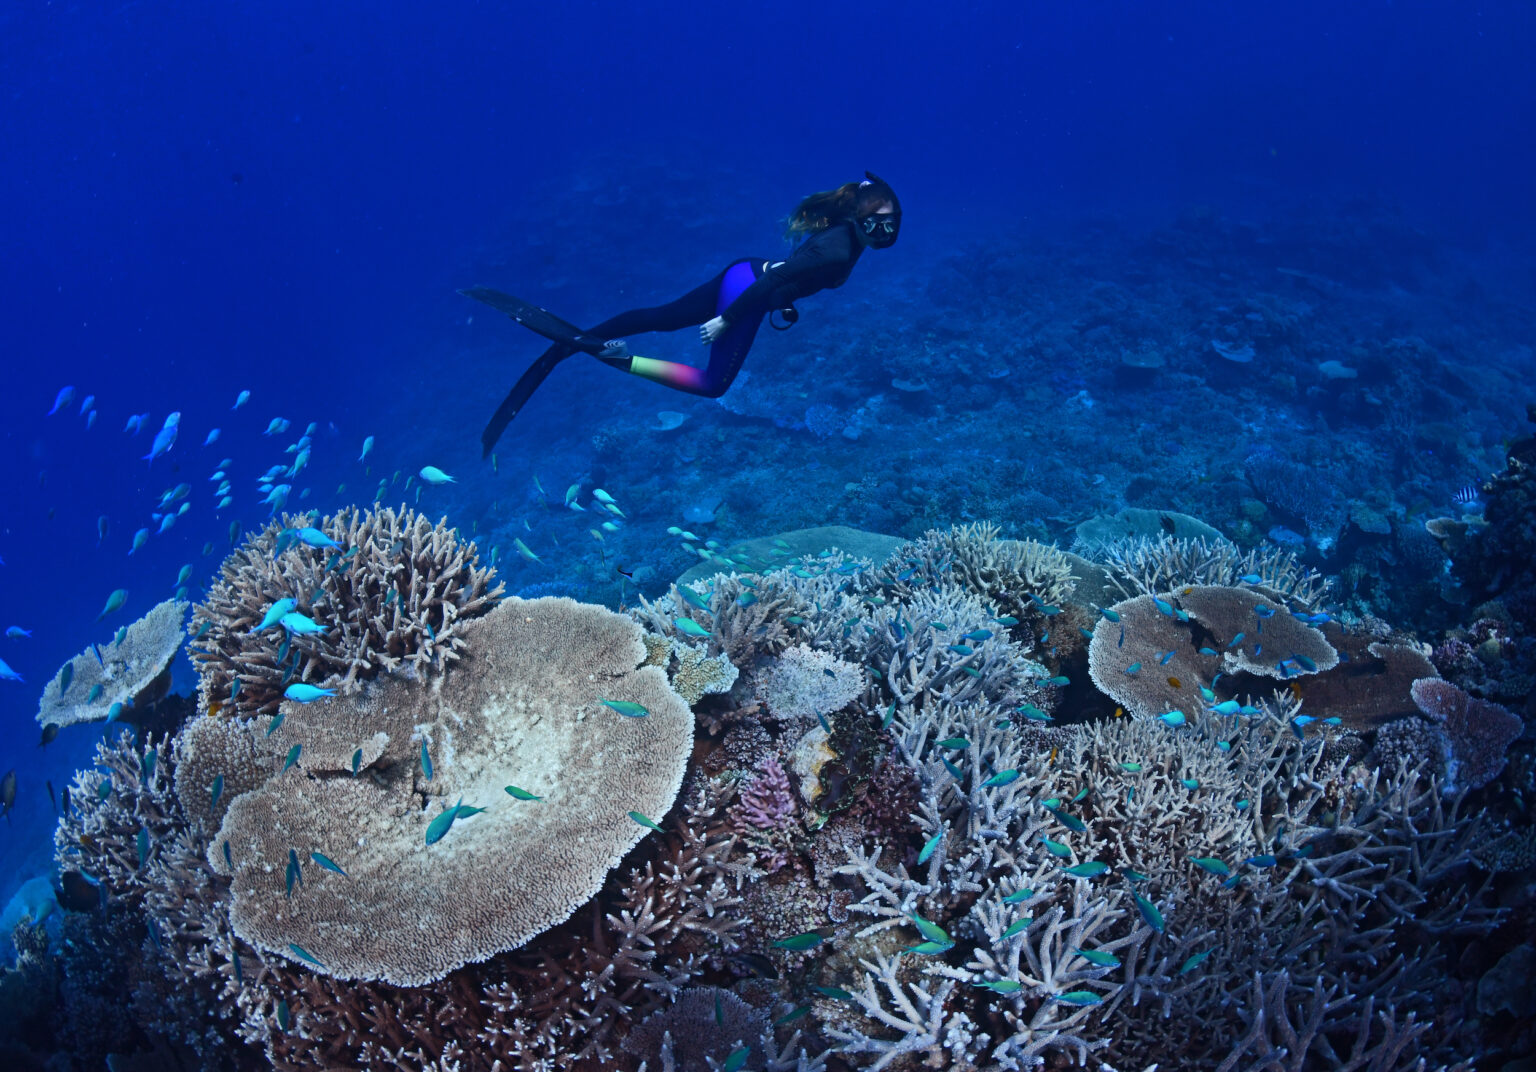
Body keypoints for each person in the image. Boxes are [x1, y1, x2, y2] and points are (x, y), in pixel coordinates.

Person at [470, 171, 901, 457]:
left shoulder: (850, 237)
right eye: (881, 220)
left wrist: (784, 298)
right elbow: (773, 281)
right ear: (862, 218)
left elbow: (786, 272)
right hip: (748, 287)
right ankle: (615, 356)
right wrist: (726, 319)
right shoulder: (840, 246)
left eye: (893, 221)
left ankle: (580, 342)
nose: (889, 229)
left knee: (663, 316)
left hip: (744, 272)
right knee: (713, 385)